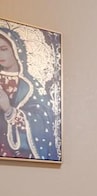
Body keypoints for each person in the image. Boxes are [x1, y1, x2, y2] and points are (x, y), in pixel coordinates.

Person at [0, 30, 59, 161]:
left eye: (3, 49)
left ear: (16, 50)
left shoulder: (32, 87)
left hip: (23, 154)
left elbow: (44, 121)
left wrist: (9, 110)